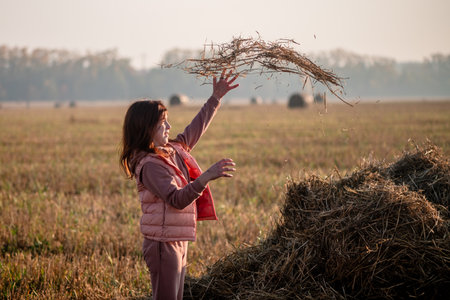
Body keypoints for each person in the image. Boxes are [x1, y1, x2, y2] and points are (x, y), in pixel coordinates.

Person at [120, 69, 239, 300]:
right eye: (162, 123)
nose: (169, 127)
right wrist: (206, 177)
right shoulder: (150, 165)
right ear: (147, 130)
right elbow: (176, 199)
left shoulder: (171, 150)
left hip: (177, 239)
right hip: (163, 244)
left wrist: (215, 98)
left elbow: (195, 129)